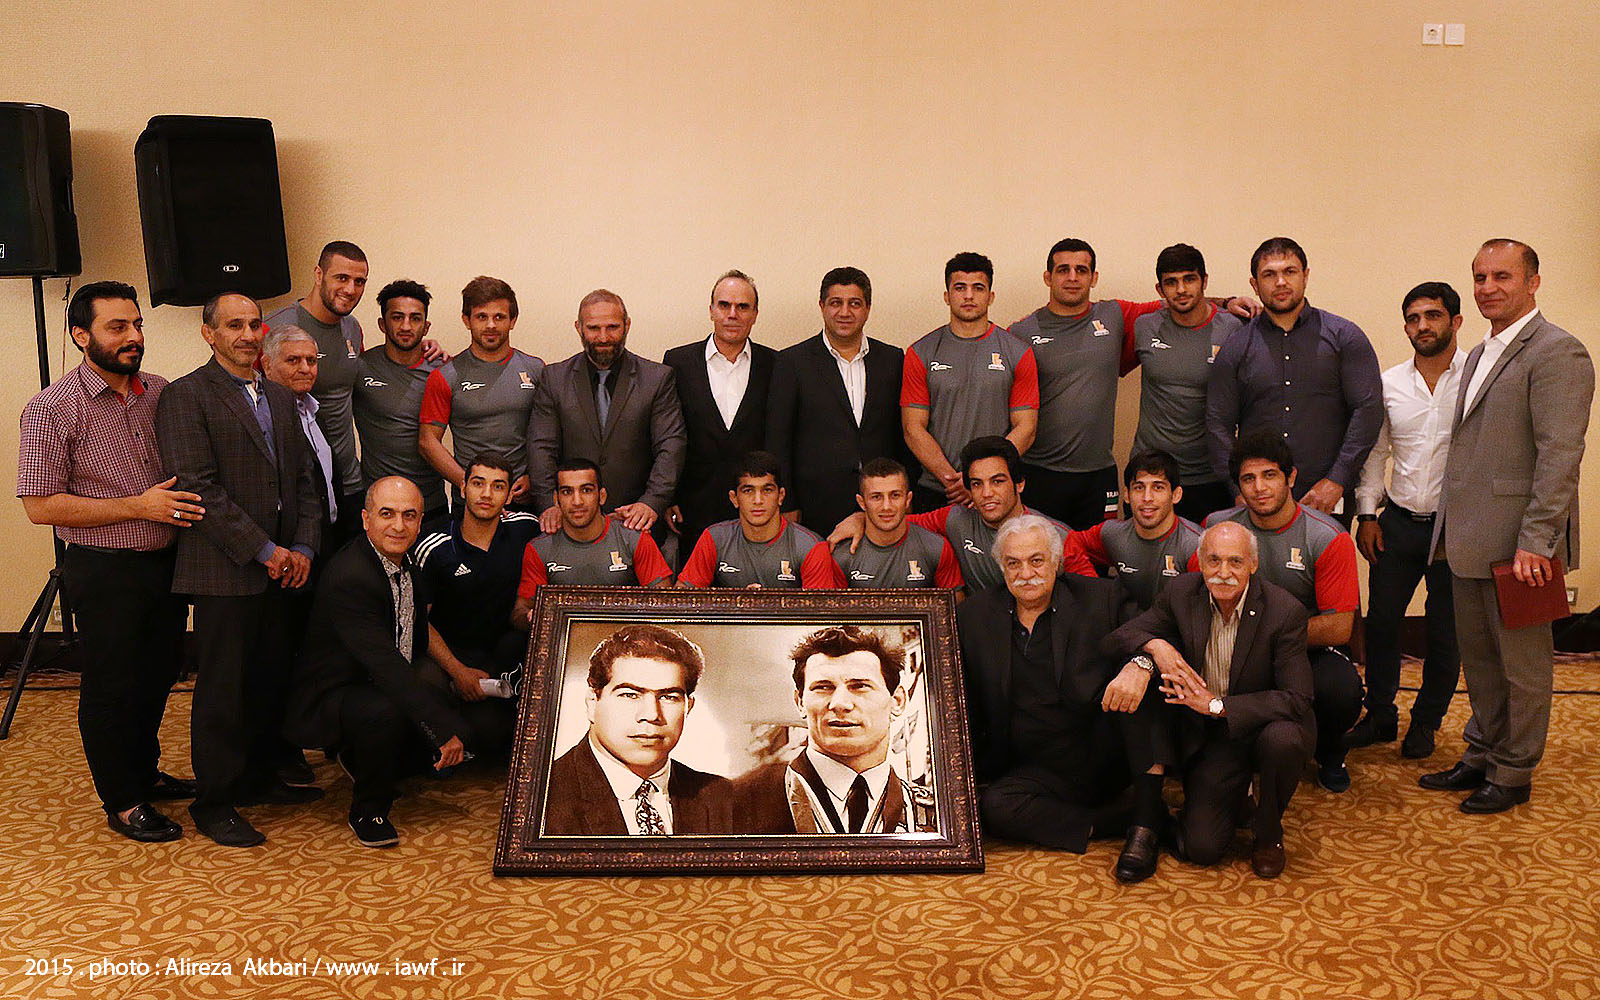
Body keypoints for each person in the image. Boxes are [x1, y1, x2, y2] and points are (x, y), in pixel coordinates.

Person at [17, 280, 199, 843]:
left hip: (165, 563)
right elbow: (40, 505)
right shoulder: (51, 409)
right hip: (104, 569)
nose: (133, 336)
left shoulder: (159, 391)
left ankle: (144, 772)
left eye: (136, 324)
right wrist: (137, 506)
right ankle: (122, 800)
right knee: (113, 685)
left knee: (159, 673)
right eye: (117, 327)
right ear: (81, 335)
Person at [1421, 239, 1594, 814]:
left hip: (1521, 547)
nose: (1488, 287)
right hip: (1469, 539)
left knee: (1522, 667)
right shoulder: (1477, 354)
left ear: (1533, 282)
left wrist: (1537, 543)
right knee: (1481, 662)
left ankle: (1514, 771)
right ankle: (1483, 754)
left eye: (1502, 276)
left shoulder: (1558, 352)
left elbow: (1559, 457)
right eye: (1479, 277)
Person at [155, 292, 324, 847]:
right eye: (234, 325)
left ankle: (256, 779)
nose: (248, 335)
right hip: (225, 569)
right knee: (223, 693)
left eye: (254, 324)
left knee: (269, 681)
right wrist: (265, 550)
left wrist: (302, 547)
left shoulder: (278, 395)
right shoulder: (185, 396)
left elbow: (305, 479)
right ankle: (215, 800)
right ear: (209, 334)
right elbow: (198, 488)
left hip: (285, 568)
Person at [285, 478, 496, 848]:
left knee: (463, 721)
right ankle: (368, 811)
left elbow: (414, 633)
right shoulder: (351, 576)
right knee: (391, 712)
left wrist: (450, 700)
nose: (399, 525)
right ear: (366, 519)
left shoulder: (406, 560)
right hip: (333, 693)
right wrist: (441, 729)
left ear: (419, 522)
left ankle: (365, 759)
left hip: (376, 677)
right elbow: (385, 665)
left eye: (409, 516)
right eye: (387, 514)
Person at [1101, 521, 1315, 881]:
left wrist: (1218, 706)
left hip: (1262, 725)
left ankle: (1268, 833)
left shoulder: (1284, 611)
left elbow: (1298, 698)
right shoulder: (1182, 592)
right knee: (1201, 848)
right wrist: (1156, 647)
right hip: (1213, 737)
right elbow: (1119, 637)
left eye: (1235, 561)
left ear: (1253, 564)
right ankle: (1235, 797)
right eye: (1214, 560)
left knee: (1285, 740)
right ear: (1200, 562)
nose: (1223, 572)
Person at [1009, 238, 1255, 528]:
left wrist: (1226, 302)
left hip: (1100, 475)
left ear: (1094, 277)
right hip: (1040, 470)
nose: (1073, 277)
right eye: (1063, 270)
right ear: (1048, 277)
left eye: (1081, 270)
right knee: (1037, 552)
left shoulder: (1115, 315)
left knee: (1098, 554)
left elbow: (1182, 301)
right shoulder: (1021, 332)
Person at [956, 515, 1139, 854]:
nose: (1025, 573)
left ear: (1057, 561)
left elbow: (1148, 635)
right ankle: (1114, 821)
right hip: (1027, 768)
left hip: (1095, 755)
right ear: (1001, 567)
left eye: (1036, 561)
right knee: (990, 808)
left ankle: (1141, 817)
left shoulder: (1100, 599)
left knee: (1146, 688)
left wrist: (1139, 666)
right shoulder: (975, 615)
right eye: (1013, 563)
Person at [1206, 432, 1362, 792]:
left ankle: (1331, 750)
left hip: (1303, 649)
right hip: (1233, 644)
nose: (1259, 488)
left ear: (1291, 478)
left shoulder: (1328, 537)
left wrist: (1267, 638)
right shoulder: (1218, 528)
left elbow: (1339, 627)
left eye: (1270, 475)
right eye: (1248, 479)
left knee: (1340, 688)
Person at [1347, 282, 1465, 759]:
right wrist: (1367, 514)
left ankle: (1426, 723)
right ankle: (1379, 714)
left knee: (1445, 632)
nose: (1423, 326)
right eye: (1414, 319)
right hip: (1396, 522)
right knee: (1381, 624)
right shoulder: (1390, 383)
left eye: (1433, 316)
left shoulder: (1477, 380)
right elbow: (1376, 453)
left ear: (1456, 322)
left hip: (1455, 528)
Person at [1207, 237, 1383, 522]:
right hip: (1258, 501)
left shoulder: (1344, 337)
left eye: (1289, 271)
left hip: (1327, 498)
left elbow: (1368, 410)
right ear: (1254, 285)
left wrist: (1337, 479)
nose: (1280, 282)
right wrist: (1238, 488)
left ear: (1305, 276)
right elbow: (1217, 423)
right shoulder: (1236, 347)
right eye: (1269, 274)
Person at [830, 436, 1090, 595]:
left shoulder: (1058, 537)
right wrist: (860, 518)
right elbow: (893, 520)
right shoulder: (955, 520)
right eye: (977, 484)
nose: (987, 493)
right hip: (984, 630)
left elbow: (1091, 598)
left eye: (997, 481)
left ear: (1019, 484)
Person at [736, 625, 931, 834]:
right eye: (823, 687)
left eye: (860, 686)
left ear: (898, 701)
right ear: (800, 702)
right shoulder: (738, 805)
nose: (840, 704)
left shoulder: (934, 814)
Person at [544, 623, 734, 836]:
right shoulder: (542, 798)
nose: (651, 714)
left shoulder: (724, 798)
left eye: (668, 697)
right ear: (592, 703)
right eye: (630, 695)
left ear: (688, 707)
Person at [527, 289, 686, 539]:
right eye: (593, 328)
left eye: (612, 327)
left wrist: (652, 502)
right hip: (570, 524)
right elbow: (541, 447)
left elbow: (671, 446)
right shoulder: (554, 379)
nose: (603, 337)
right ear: (579, 328)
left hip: (637, 520)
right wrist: (549, 504)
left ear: (627, 325)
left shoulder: (657, 379)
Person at [766, 267, 911, 536]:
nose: (845, 312)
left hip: (883, 504)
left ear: (868, 309)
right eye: (836, 303)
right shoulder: (792, 362)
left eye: (854, 303)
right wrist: (787, 502)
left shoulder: (892, 359)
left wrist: (906, 495)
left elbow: (903, 433)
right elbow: (778, 438)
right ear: (822, 306)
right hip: (815, 505)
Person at [901, 252, 1039, 513]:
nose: (968, 296)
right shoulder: (920, 352)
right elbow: (913, 429)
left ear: (990, 296)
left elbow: (1026, 428)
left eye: (978, 288)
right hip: (937, 489)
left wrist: (979, 480)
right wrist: (956, 481)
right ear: (947, 296)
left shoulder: (1018, 352)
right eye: (959, 288)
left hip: (995, 492)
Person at [1129, 244, 1248, 523]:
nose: (1181, 289)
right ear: (1160, 290)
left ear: (1204, 281)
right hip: (1151, 475)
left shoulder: (1233, 328)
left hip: (1211, 475)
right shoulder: (1144, 326)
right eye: (1171, 282)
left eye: (1189, 279)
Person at [663, 270, 776, 560]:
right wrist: (669, 496)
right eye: (724, 305)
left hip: (757, 507)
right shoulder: (678, 362)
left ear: (755, 314)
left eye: (743, 307)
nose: (732, 314)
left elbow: (781, 437)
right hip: (693, 507)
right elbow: (668, 435)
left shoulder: (775, 364)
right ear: (711, 310)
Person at [414, 454, 541, 703]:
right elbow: (417, 620)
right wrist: (457, 671)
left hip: (503, 657)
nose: (486, 494)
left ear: (509, 496)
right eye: (478, 483)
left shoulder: (526, 529)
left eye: (498, 487)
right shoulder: (434, 547)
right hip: (448, 657)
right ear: (463, 488)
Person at [419, 276, 544, 508]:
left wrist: (534, 477)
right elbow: (428, 442)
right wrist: (467, 483)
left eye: (499, 317)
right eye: (481, 317)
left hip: (524, 498)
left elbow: (548, 435)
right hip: (470, 503)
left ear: (513, 320)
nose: (490, 325)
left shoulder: (536, 369)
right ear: (466, 320)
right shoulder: (445, 376)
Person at [513, 459, 674, 621]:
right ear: (556, 499)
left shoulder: (634, 539)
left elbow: (666, 603)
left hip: (628, 632)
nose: (577, 501)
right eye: (567, 492)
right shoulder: (539, 549)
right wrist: (530, 617)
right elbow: (521, 610)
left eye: (586, 490)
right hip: (565, 635)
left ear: (601, 496)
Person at [354, 279, 448, 525]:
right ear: (382, 324)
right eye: (397, 317)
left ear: (426, 327)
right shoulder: (361, 368)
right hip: (379, 505)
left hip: (431, 503)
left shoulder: (444, 370)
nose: (406, 326)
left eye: (415, 318)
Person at [677, 451, 842, 589]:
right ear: (734, 498)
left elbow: (819, 613)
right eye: (748, 491)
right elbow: (682, 600)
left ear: (781, 496)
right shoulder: (715, 539)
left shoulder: (810, 547)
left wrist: (762, 605)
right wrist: (738, 604)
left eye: (767, 490)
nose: (758, 500)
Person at [1067, 450, 1201, 611]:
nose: (1147, 498)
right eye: (1139, 488)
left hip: (1177, 623)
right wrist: (1095, 592)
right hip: (1127, 622)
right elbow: (1073, 542)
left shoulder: (1196, 546)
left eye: (1158, 487)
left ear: (1176, 495)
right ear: (1127, 495)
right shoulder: (1113, 534)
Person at [833, 458, 963, 591]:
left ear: (908, 500)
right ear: (862, 502)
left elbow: (955, 603)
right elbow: (831, 604)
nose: (886, 506)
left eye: (895, 495)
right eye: (876, 497)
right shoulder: (841, 555)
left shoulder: (936, 548)